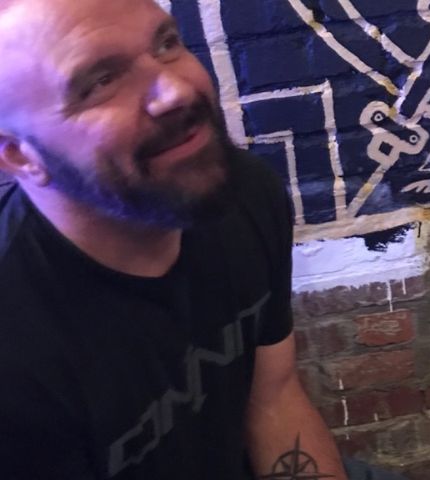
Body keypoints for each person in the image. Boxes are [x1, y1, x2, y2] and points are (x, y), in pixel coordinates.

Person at [0, 0, 384, 478]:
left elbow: (272, 399)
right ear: (20, 157)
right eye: (101, 81)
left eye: (165, 44)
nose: (177, 91)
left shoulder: (242, 194)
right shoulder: (15, 344)